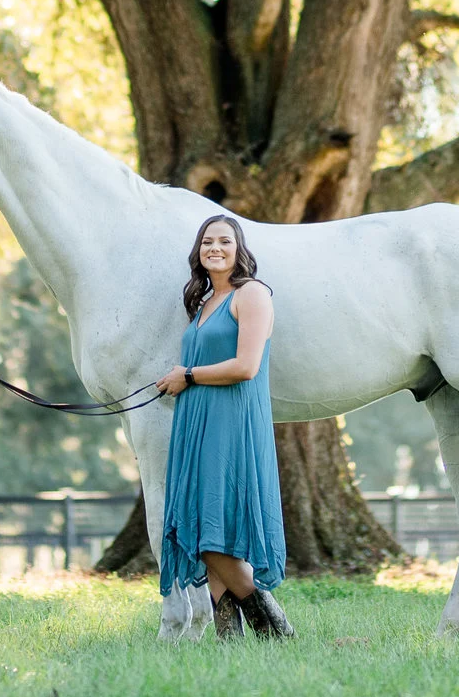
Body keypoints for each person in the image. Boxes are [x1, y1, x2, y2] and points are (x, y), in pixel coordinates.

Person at [156, 214, 294, 638]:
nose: (215, 248)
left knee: (209, 530)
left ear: (239, 250)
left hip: (230, 423)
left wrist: (189, 375)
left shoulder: (251, 294)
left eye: (224, 241)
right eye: (207, 242)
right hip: (197, 422)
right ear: (198, 252)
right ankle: (229, 641)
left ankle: (275, 627)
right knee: (201, 522)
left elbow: (246, 366)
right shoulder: (204, 303)